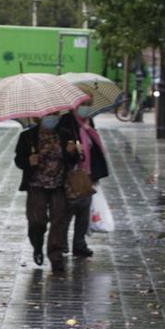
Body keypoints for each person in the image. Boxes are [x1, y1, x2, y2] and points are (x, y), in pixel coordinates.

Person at [13, 113, 81, 274]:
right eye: (49, 115)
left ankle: (56, 257)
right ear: (38, 117)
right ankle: (37, 246)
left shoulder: (65, 134)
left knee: (59, 221)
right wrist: (29, 161)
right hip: (36, 184)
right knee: (37, 220)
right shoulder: (27, 136)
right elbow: (19, 160)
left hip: (60, 185)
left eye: (55, 115)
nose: (53, 118)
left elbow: (75, 160)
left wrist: (73, 152)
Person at [64, 107, 108, 258]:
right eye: (84, 104)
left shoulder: (88, 123)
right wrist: (72, 151)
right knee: (68, 209)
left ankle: (79, 243)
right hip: (71, 174)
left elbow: (94, 149)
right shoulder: (67, 122)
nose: (87, 108)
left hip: (87, 174)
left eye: (90, 104)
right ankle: (62, 241)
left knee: (84, 209)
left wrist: (95, 174)